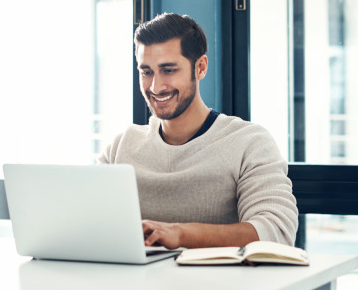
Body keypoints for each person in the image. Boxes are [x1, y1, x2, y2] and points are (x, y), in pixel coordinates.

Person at [98, 13, 298, 249]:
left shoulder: (248, 143)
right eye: (146, 72)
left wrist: (181, 234)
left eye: (169, 70)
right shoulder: (121, 148)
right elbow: (87, 222)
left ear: (200, 67)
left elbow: (276, 232)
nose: (155, 86)